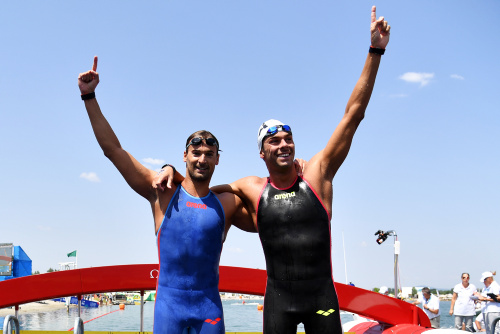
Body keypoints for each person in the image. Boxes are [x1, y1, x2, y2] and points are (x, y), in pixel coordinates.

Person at [155, 6, 390, 334]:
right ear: (261, 152)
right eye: (274, 141)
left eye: (288, 139)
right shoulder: (251, 188)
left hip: (322, 299)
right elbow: (202, 188)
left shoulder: (318, 175)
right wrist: (172, 170)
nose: (283, 145)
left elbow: (353, 115)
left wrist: (375, 50)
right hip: (278, 302)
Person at [77, 57, 256, 334]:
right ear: (185, 155)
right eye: (196, 153)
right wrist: (89, 96)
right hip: (169, 310)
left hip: (209, 312)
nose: (202, 159)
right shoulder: (161, 191)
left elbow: (266, 219)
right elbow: (113, 150)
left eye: (209, 155)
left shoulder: (226, 204)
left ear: (218, 160)